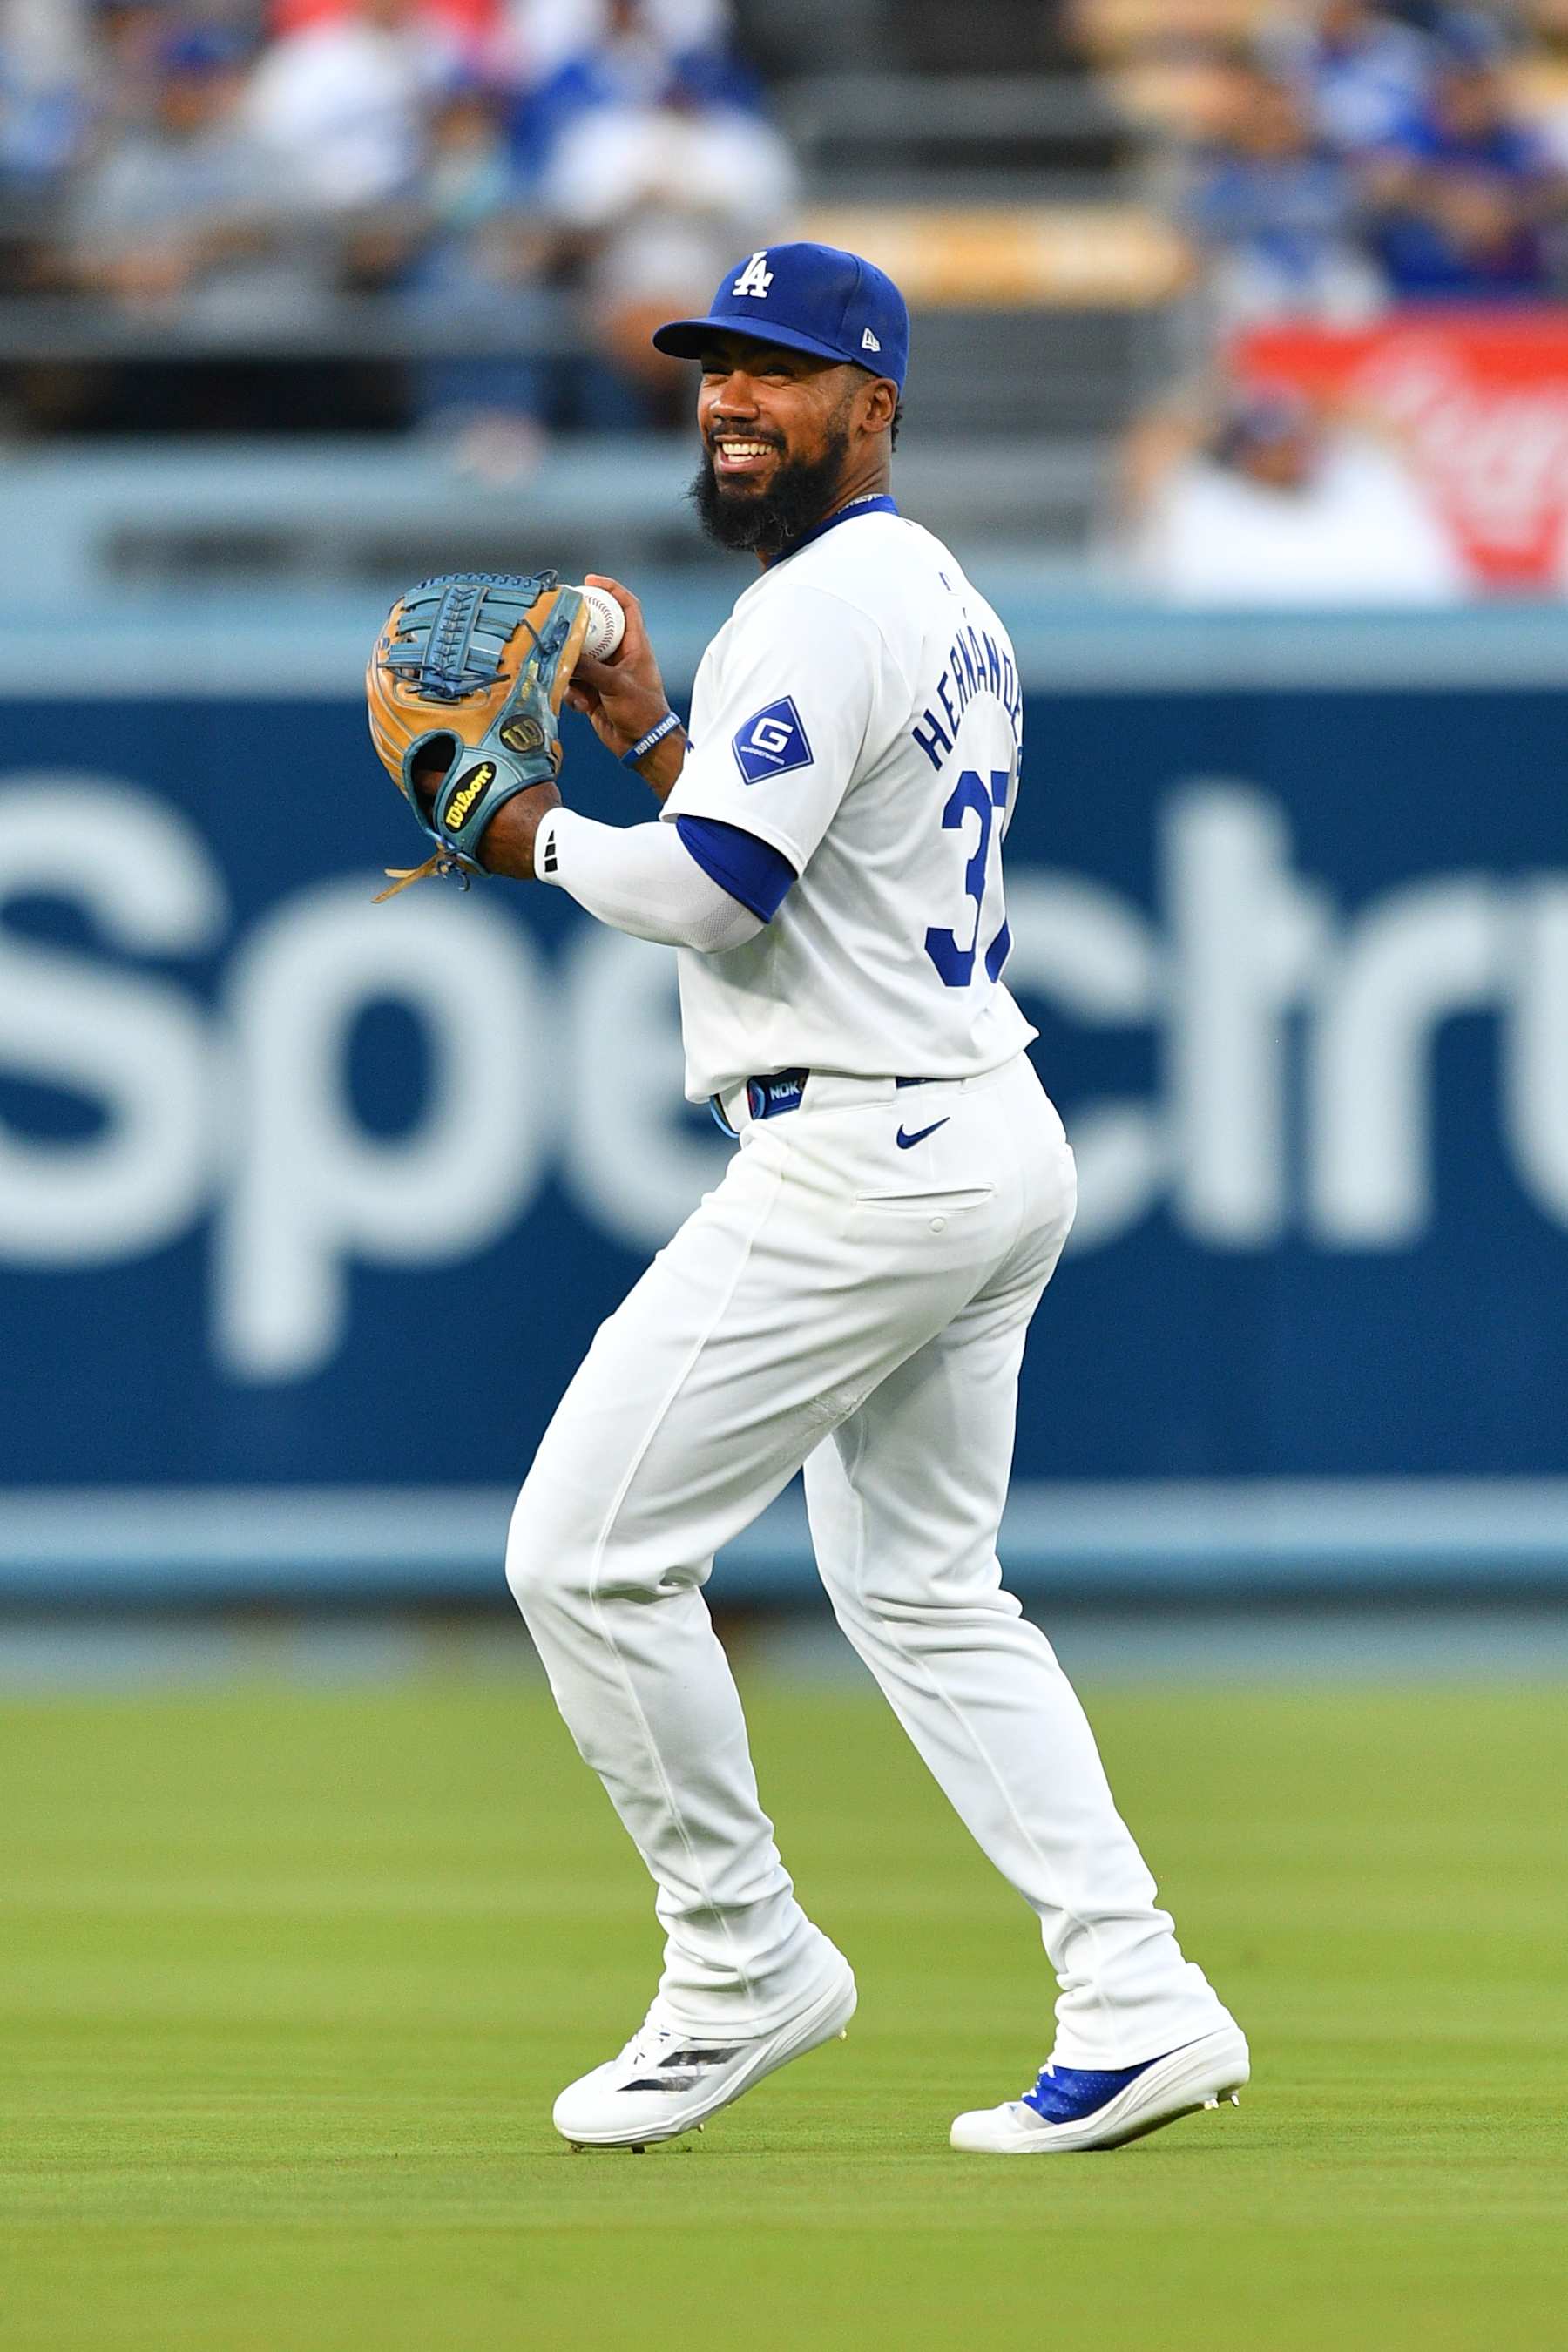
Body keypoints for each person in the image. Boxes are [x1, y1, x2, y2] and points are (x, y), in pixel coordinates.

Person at [472, 242, 1249, 2154]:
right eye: (715, 369)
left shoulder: (831, 599)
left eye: (782, 373)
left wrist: (525, 830)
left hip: (872, 1152)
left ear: (872, 405)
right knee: (921, 1585)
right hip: (979, 1123)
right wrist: (654, 737)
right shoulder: (926, 595)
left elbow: (720, 891)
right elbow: (806, 868)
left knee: (581, 1558)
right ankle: (1137, 1991)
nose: (734, 400)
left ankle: (740, 1958)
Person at [1124, 386, 1469, 605]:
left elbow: (1392, 435)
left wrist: (1312, 401)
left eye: (1296, 442)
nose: (1288, 454)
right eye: (1273, 446)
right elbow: (1149, 449)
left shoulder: (1366, 494)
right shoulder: (1204, 503)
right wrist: (1225, 411)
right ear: (1245, 452)